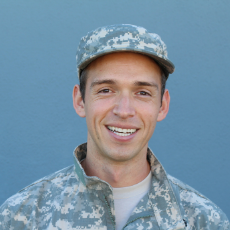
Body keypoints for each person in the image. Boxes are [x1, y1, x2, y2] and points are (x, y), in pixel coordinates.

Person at [0, 24, 229, 230]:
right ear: (80, 101)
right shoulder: (23, 217)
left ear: (162, 105)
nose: (124, 110)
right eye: (106, 90)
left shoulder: (203, 221)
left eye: (142, 93)